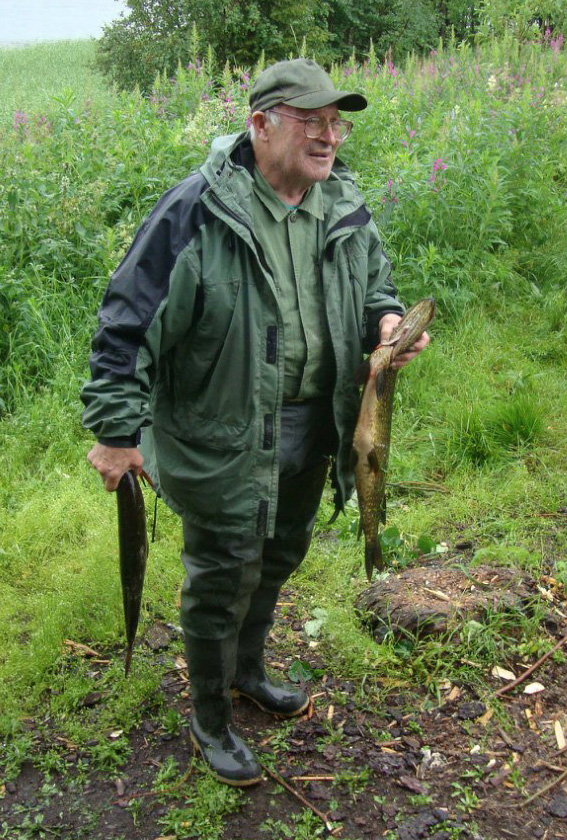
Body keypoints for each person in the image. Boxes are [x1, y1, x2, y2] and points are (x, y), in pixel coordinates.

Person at [81, 58, 430, 787]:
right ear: (260, 125)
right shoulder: (197, 212)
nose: (329, 136)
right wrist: (115, 432)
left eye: (336, 123)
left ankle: (246, 672)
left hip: (315, 425)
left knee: (278, 555)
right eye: (311, 121)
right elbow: (127, 324)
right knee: (222, 576)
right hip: (224, 438)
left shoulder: (342, 205)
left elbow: (375, 286)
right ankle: (210, 716)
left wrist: (387, 323)